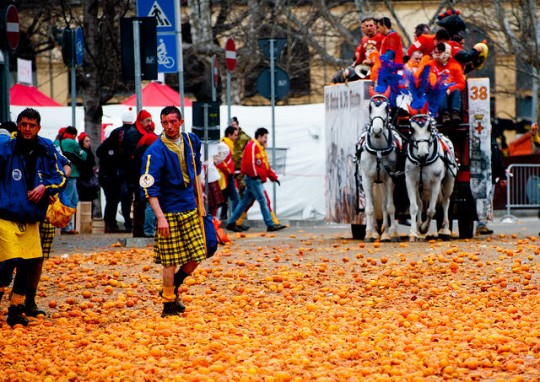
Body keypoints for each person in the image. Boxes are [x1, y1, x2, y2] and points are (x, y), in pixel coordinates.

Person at [0, 108, 65, 327]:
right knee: (9, 262)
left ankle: (16, 309)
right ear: (18, 126)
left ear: (38, 127)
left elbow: (60, 176)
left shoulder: (46, 148)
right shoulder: (5, 148)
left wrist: (45, 187)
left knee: (27, 265)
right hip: (6, 214)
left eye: (32, 125)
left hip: (31, 217)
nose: (27, 129)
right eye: (24, 124)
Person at [140, 106, 207, 317]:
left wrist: (200, 201)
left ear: (181, 121)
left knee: (199, 253)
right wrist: (160, 217)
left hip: (189, 206)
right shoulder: (154, 151)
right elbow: (151, 188)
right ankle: (168, 303)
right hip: (168, 210)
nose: (169, 126)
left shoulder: (191, 141)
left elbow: (196, 171)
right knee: (170, 259)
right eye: (165, 123)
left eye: (172, 122)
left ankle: (172, 286)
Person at [225, 127, 286, 233]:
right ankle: (270, 223)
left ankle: (232, 222)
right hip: (253, 179)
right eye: (265, 137)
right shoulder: (253, 146)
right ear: (259, 136)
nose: (266, 140)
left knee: (245, 202)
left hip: (255, 179)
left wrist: (273, 177)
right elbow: (250, 163)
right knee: (262, 200)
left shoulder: (259, 148)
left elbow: (265, 166)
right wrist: (255, 175)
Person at [131, 109, 158, 237]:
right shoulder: (146, 139)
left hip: (139, 174)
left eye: (150, 121)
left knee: (144, 202)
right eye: (147, 120)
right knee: (148, 202)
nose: (149, 123)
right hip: (143, 175)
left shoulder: (144, 137)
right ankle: (147, 229)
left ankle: (143, 229)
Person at [56, 126, 86, 234]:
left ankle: (67, 225)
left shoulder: (56, 143)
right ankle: (66, 226)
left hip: (61, 174)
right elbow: (84, 156)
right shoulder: (71, 143)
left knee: (71, 199)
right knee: (70, 200)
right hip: (71, 174)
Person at [428, 42, 466, 126]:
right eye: (436, 52)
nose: (437, 55)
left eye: (440, 52)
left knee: (456, 91)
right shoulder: (430, 64)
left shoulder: (455, 66)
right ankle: (444, 114)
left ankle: (455, 113)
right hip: (435, 93)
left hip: (451, 92)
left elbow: (461, 84)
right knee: (441, 89)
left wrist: (450, 88)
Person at [216, 125, 240, 222]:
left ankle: (223, 217)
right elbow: (221, 162)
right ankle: (235, 220)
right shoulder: (225, 145)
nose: (236, 138)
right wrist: (230, 172)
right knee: (235, 198)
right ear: (229, 135)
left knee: (224, 198)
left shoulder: (226, 144)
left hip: (225, 175)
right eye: (235, 135)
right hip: (225, 175)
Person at [76, 132, 100, 213]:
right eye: (86, 141)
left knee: (90, 201)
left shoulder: (89, 152)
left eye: (89, 141)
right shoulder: (81, 152)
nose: (88, 143)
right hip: (82, 180)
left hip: (89, 180)